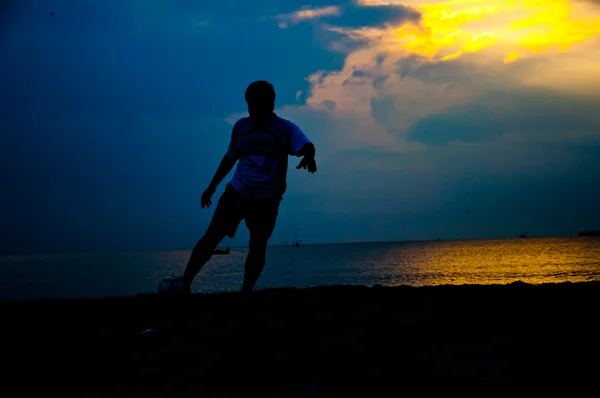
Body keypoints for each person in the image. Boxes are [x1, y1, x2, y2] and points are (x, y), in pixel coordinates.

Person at [179, 80, 317, 293]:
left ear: (271, 103)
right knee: (212, 236)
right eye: (250, 104)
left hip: (267, 200)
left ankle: (246, 292)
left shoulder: (285, 128)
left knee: (258, 245)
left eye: (259, 103)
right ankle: (185, 283)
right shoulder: (241, 127)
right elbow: (230, 158)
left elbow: (306, 144)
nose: (253, 109)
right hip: (237, 192)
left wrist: (309, 155)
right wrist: (212, 187)